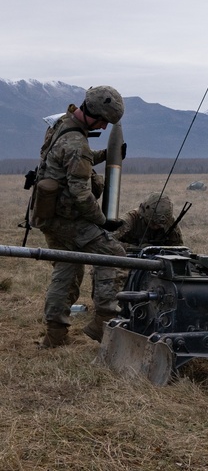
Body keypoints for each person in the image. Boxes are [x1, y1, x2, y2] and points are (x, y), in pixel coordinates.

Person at [31, 85, 128, 348]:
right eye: (104, 122)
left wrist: (104, 156)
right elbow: (82, 195)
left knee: (67, 270)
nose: (106, 129)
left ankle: (55, 335)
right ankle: (104, 320)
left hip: (49, 217)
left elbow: (70, 161)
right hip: (69, 220)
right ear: (94, 114)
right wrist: (102, 221)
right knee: (114, 255)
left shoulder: (62, 124)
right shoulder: (76, 143)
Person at [114, 192, 185, 250]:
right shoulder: (130, 219)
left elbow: (178, 247)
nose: (157, 227)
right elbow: (107, 242)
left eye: (161, 225)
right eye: (153, 223)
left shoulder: (170, 222)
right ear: (144, 213)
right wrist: (135, 248)